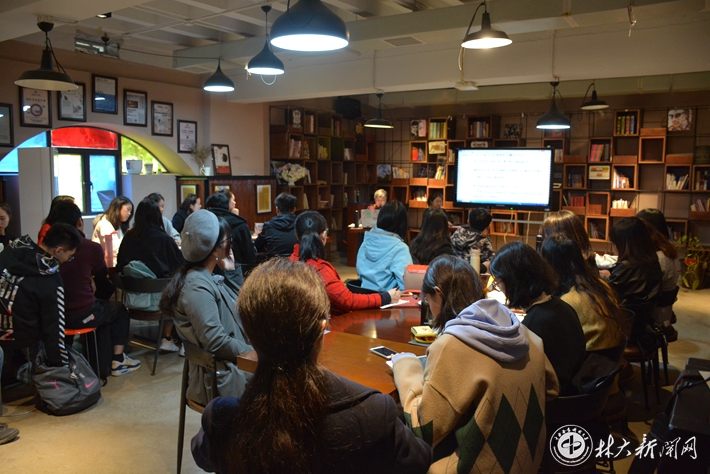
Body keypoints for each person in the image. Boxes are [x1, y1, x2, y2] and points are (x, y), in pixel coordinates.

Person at [192, 258, 432, 474]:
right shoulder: (375, 413)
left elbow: (202, 456)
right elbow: (419, 461)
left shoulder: (221, 419)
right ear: (321, 330)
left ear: (250, 334)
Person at [392, 255, 558, 473]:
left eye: (428, 300)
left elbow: (424, 430)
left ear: (438, 295)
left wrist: (406, 365)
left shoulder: (452, 345)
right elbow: (551, 389)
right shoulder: (525, 334)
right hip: (529, 461)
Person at [159, 210, 253, 406]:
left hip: (230, 364)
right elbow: (216, 341)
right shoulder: (196, 286)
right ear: (215, 250)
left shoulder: (204, 277)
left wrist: (232, 270)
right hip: (221, 377)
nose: (231, 245)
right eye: (228, 240)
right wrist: (254, 353)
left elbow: (242, 309)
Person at [51, 202, 140, 378]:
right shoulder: (90, 248)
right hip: (82, 313)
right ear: (79, 222)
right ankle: (118, 359)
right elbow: (102, 280)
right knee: (118, 310)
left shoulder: (45, 250)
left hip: (55, 316)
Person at [490, 241, 586, 395]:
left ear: (513, 281)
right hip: (575, 392)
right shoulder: (562, 307)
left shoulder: (534, 325)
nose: (498, 287)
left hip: (553, 399)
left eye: (498, 282)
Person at [0, 223, 82, 368]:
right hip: (22, 337)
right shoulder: (50, 278)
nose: (66, 261)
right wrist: (60, 364)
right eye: (69, 256)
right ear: (58, 250)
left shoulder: (12, 249)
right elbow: (54, 326)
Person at [290, 211, 399, 315]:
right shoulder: (320, 269)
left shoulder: (291, 261)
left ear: (296, 236)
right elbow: (348, 301)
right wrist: (385, 297)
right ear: (324, 235)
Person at [117, 198, 183, 352]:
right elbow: (179, 266)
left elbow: (120, 265)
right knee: (177, 287)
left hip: (131, 299)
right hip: (160, 303)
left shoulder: (128, 238)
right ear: (157, 217)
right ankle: (168, 338)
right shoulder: (164, 240)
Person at [540, 233, 625, 351]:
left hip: (588, 358)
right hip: (610, 356)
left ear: (550, 265)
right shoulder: (601, 285)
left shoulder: (568, 301)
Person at [637, 208, 679, 339]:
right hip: (663, 314)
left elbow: (638, 292)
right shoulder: (665, 252)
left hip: (653, 320)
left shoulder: (656, 260)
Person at [356, 200, 412, 291]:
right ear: (403, 224)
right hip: (388, 298)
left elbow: (359, 274)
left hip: (363, 297)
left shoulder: (366, 242)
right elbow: (406, 285)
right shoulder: (400, 248)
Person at [607, 217, 663, 308]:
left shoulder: (626, 266)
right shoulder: (653, 260)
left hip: (623, 313)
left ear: (623, 244)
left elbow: (607, 293)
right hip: (644, 313)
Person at [205, 192, 256, 267]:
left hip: (206, 267)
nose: (235, 202)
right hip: (235, 268)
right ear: (227, 204)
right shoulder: (239, 224)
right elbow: (249, 254)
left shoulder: (204, 220)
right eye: (233, 200)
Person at [92, 196, 133, 267]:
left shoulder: (118, 225)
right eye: (128, 210)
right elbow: (115, 249)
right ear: (118, 208)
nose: (129, 214)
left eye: (130, 211)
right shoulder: (104, 224)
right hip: (107, 266)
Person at [254, 192, 298, 258]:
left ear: (277, 209)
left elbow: (258, 246)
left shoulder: (268, 226)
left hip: (274, 262)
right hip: (297, 263)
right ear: (294, 210)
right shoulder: (301, 225)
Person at [451, 207, 495, 272]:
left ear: (468, 222)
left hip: (452, 270)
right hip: (471, 273)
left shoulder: (457, 233)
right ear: (488, 227)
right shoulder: (484, 242)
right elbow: (492, 263)